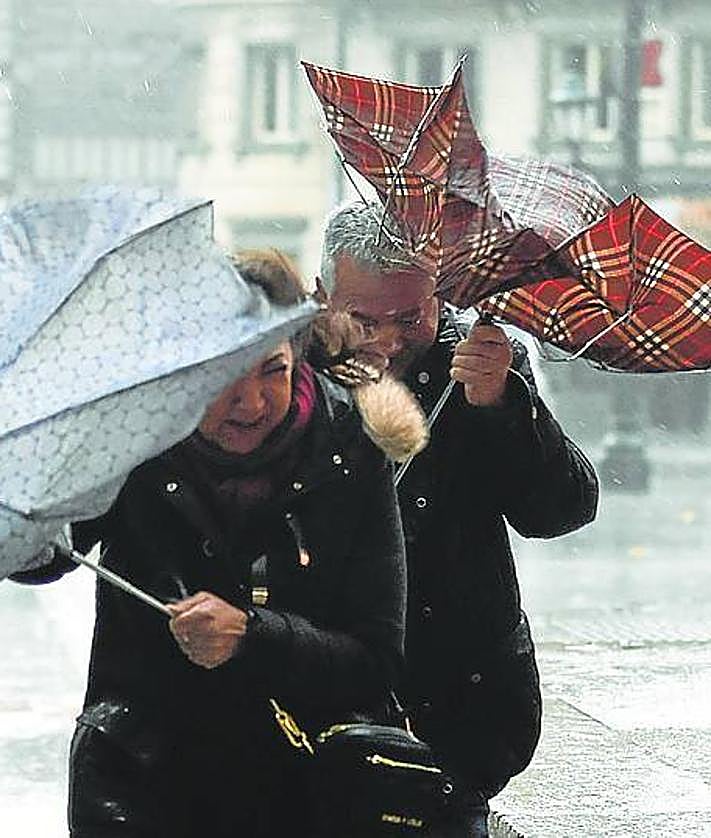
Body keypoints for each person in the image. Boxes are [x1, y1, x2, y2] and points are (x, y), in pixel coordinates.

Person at [13, 250, 409, 838]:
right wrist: (26, 512)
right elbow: (50, 549)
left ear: (298, 354)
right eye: (221, 376)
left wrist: (253, 635)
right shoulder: (135, 434)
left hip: (306, 794)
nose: (248, 403)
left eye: (271, 370)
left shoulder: (350, 450)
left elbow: (375, 661)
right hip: (145, 786)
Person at [317, 201, 600, 834]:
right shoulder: (291, 377)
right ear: (321, 297)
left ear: (440, 296)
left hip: (464, 698)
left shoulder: (480, 360)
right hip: (328, 692)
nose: (390, 341)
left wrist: (502, 405)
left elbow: (562, 509)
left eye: (411, 318)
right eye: (364, 320)